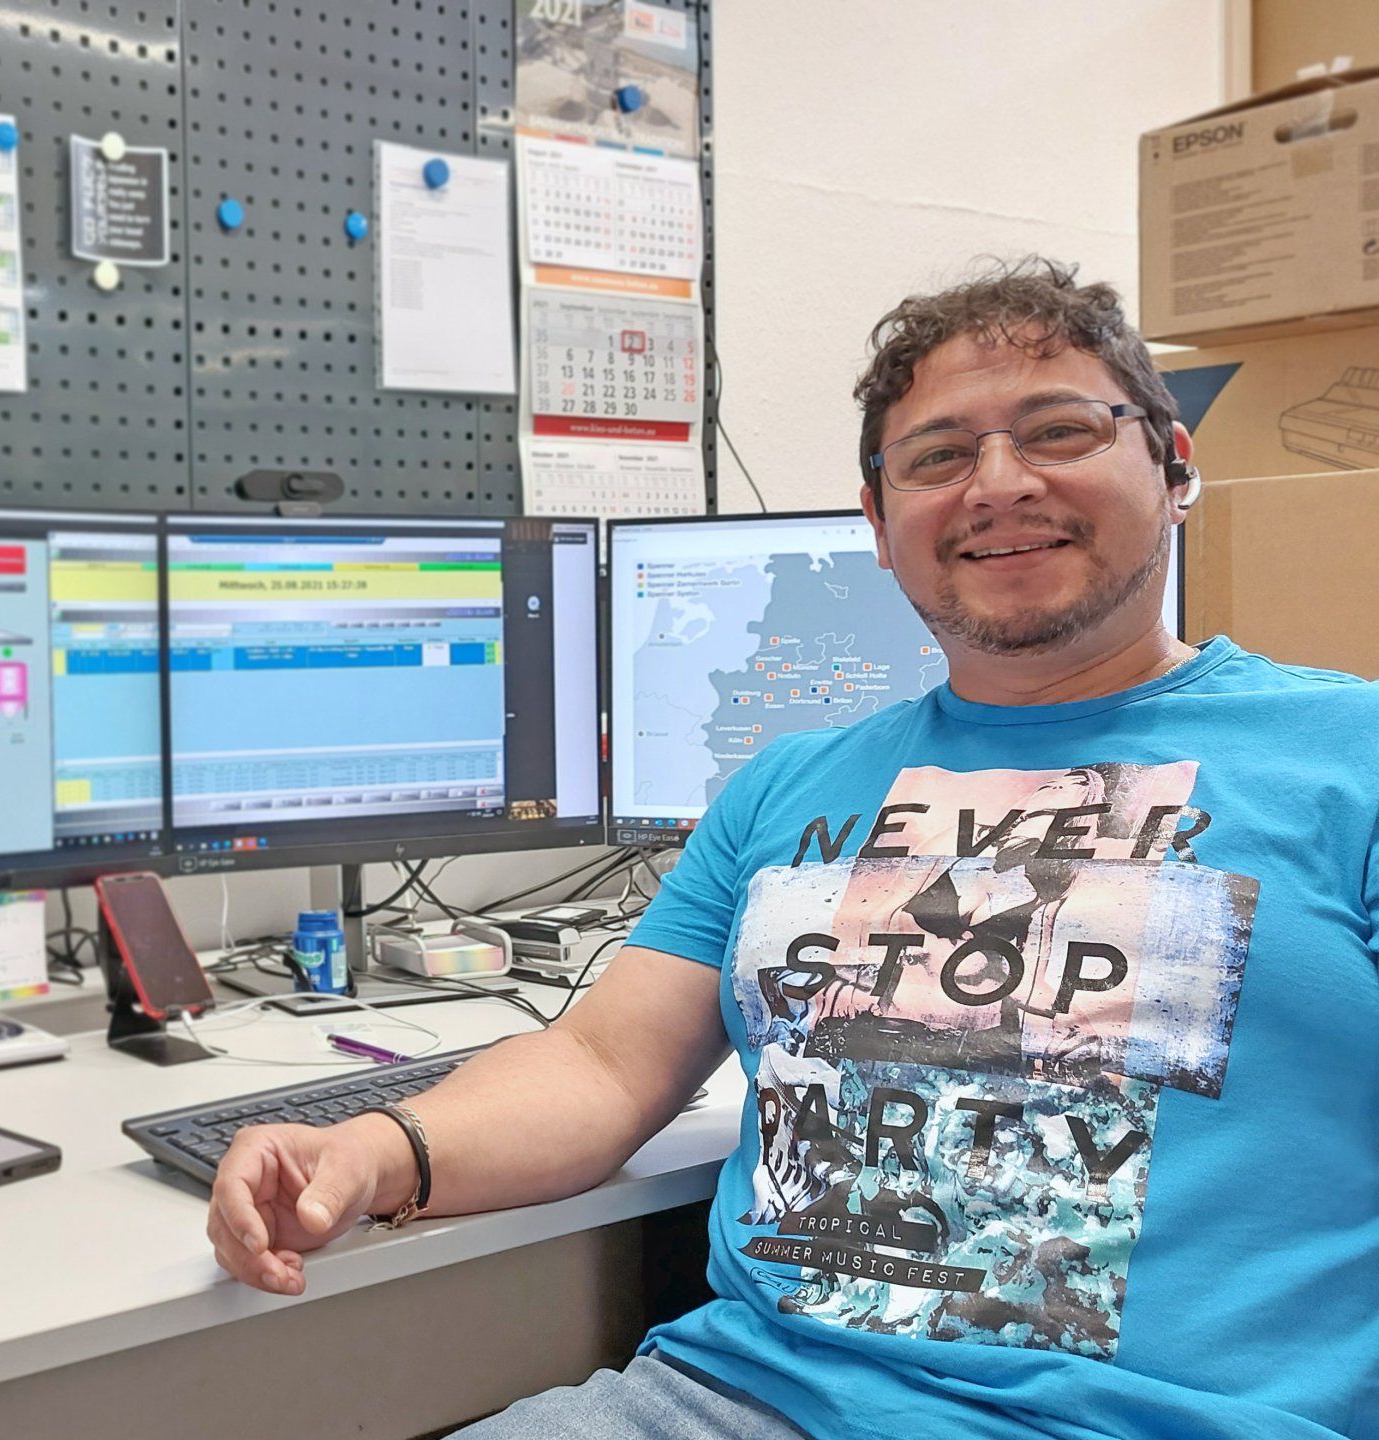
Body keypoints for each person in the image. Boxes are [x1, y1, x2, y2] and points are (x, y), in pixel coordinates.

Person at [205, 257, 1379, 1440]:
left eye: (1058, 431)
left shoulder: (1352, 760)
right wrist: (373, 1150)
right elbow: (602, 1068)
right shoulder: (786, 784)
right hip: (736, 1401)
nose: (1000, 484)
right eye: (937, 456)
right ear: (879, 524)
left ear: (1174, 467)